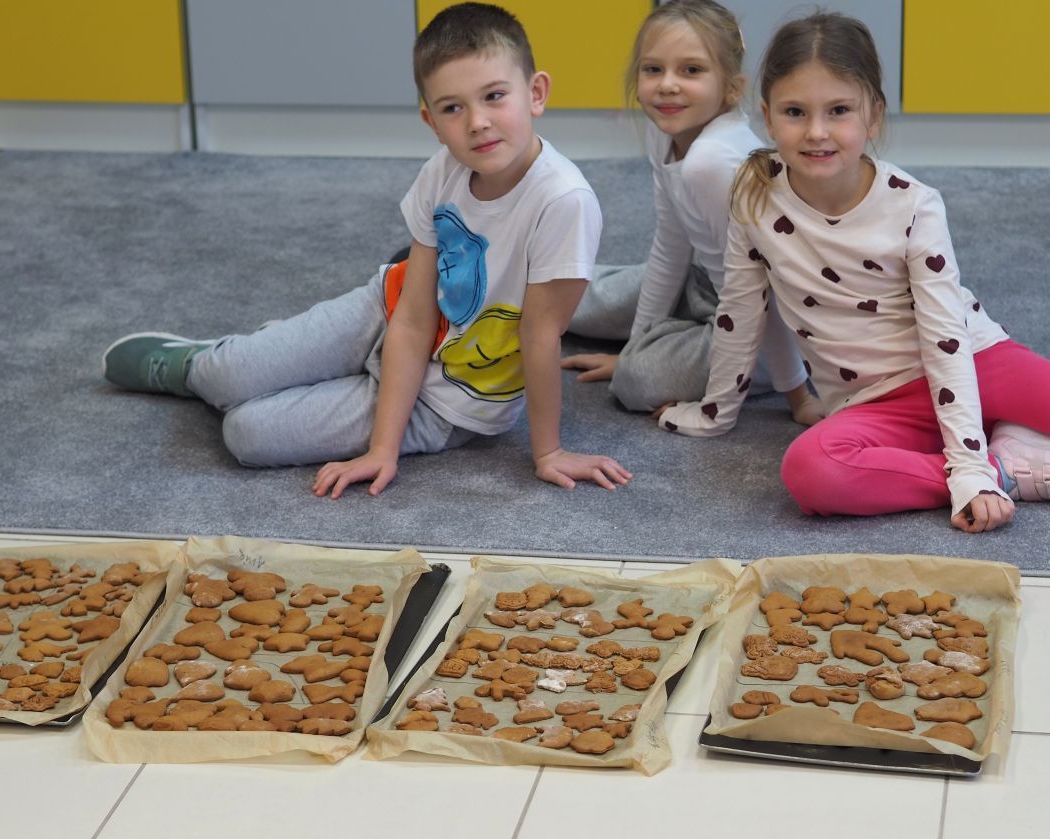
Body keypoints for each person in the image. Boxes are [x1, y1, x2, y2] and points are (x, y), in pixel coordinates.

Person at [102, 2, 631, 499]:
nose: (477, 122)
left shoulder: (564, 202)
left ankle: (286, 361)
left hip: (447, 401)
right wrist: (381, 445)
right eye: (453, 107)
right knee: (224, 376)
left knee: (246, 432)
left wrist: (548, 451)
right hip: (386, 311)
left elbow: (539, 337)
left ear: (536, 93)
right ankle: (202, 361)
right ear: (431, 121)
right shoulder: (443, 170)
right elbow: (412, 317)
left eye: (494, 96)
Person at [656, 11, 1050, 533]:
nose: (817, 132)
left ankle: (988, 452)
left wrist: (969, 466)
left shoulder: (915, 205)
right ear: (767, 117)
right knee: (811, 470)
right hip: (875, 400)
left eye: (839, 110)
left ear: (874, 117)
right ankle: (1009, 466)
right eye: (795, 112)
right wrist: (714, 413)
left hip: (975, 362)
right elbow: (740, 313)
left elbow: (945, 340)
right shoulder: (753, 196)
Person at [561, 0, 821, 425]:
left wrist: (798, 397)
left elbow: (757, 293)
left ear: (731, 88)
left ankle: (701, 353)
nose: (667, 85)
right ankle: (476, 281)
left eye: (691, 70)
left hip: (760, 321)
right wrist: (636, 343)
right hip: (709, 283)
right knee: (573, 293)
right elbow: (671, 246)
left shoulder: (712, 164)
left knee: (635, 381)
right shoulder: (665, 130)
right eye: (653, 69)